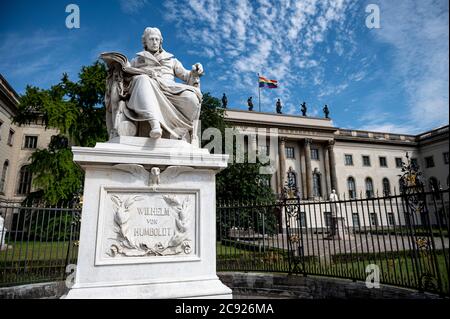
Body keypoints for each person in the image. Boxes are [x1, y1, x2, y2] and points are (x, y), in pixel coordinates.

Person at [125, 27, 204, 140]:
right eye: (151, 39)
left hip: (169, 88)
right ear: (145, 42)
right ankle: (155, 124)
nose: (154, 42)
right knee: (142, 79)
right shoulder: (137, 60)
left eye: (157, 39)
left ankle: (180, 131)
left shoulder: (171, 60)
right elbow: (127, 77)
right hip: (147, 87)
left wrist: (195, 72)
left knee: (191, 97)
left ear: (160, 41)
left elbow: (187, 76)